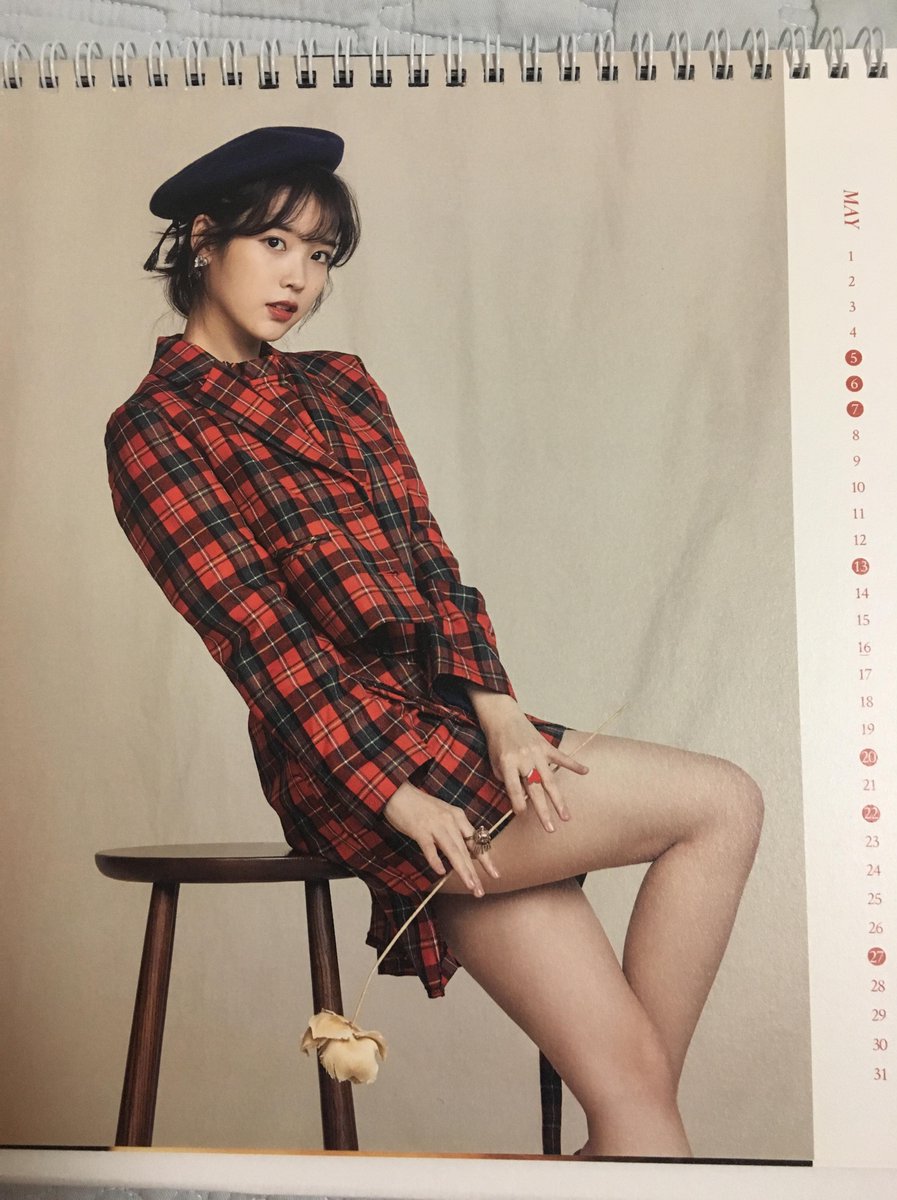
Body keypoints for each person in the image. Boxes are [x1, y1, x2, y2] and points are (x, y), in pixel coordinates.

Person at [105, 126, 764, 1158]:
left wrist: (501, 712)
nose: (300, 278)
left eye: (320, 255)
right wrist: (396, 796)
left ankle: (625, 1148)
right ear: (202, 238)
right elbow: (261, 643)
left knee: (642, 1116)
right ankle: (627, 1146)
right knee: (719, 805)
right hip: (349, 758)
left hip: (454, 720)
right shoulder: (156, 428)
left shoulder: (343, 386)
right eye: (275, 243)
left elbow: (430, 562)